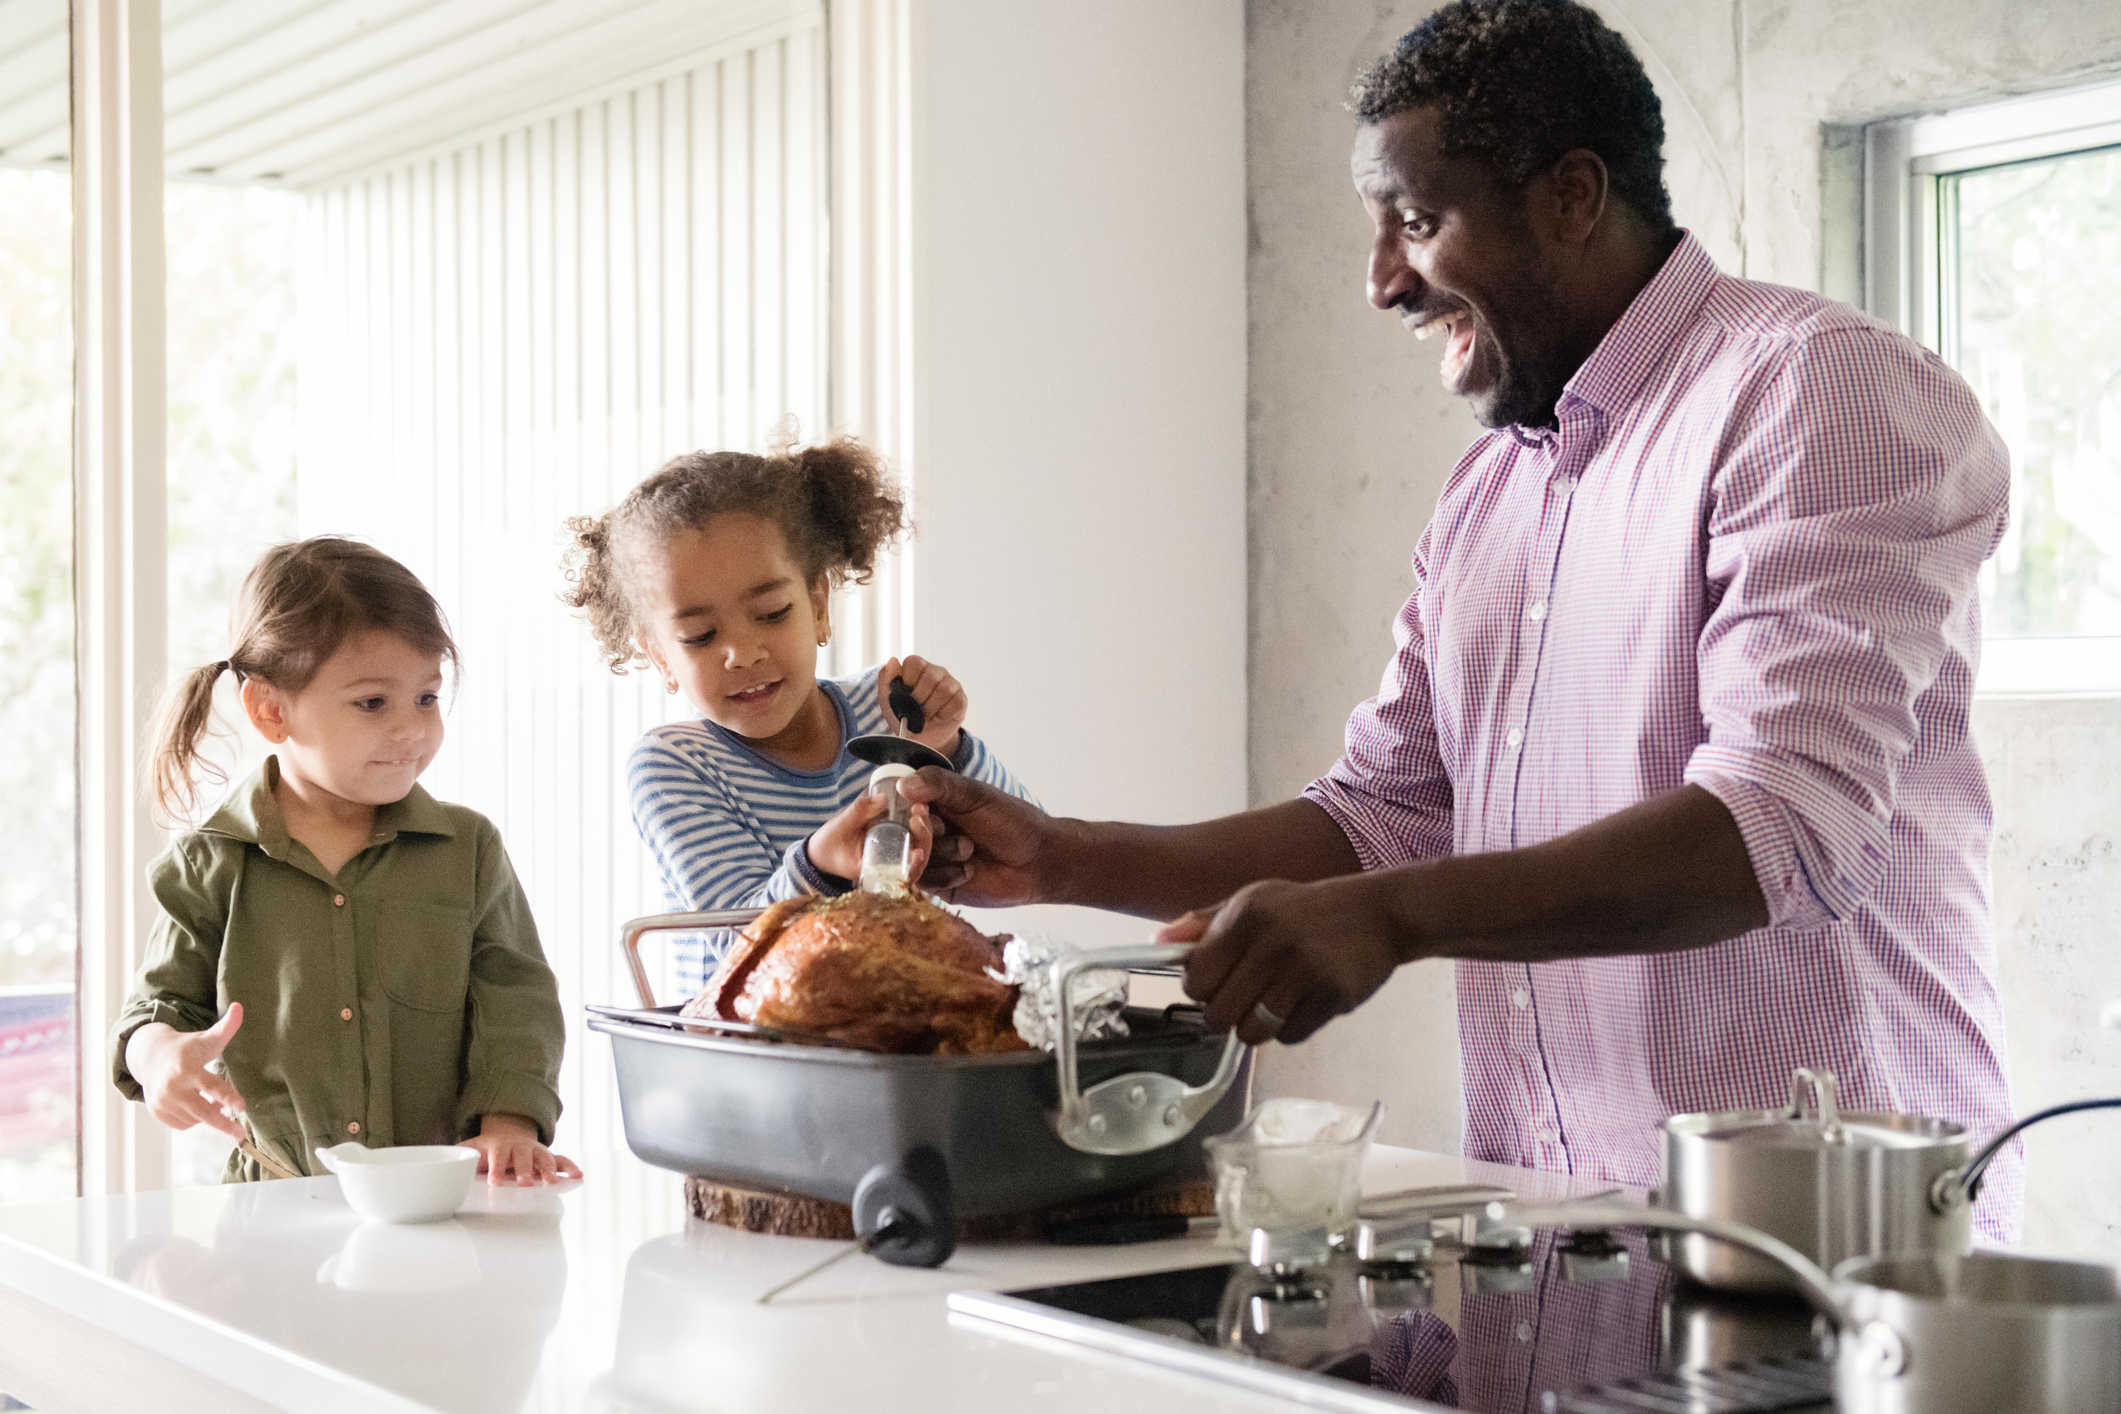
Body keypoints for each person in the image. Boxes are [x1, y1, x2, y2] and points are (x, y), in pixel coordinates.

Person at [906, 0, 2019, 1236]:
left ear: (1573, 196)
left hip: (1830, 1251)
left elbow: (1778, 828)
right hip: (1558, 1252)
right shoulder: (1492, 491)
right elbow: (1380, 813)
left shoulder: (1819, 391)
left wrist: (1392, 918)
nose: (1381, 279)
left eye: (1419, 221)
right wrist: (1062, 858)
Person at [113, 537, 578, 1186]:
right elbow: (156, 1007)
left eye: (426, 698)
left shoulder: (468, 850)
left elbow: (516, 1001)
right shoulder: (210, 863)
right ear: (271, 711)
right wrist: (160, 1057)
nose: (413, 730)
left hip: (442, 1198)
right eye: (372, 703)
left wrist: (509, 1123)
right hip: (273, 1210)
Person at [564, 435, 1036, 996]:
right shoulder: (674, 765)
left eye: (771, 613)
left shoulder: (886, 713)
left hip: (896, 1026)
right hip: (753, 1056)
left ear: (818, 605)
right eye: (700, 636)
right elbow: (738, 949)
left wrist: (946, 749)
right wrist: (820, 863)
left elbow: (1029, 846)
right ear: (660, 656)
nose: (742, 652)